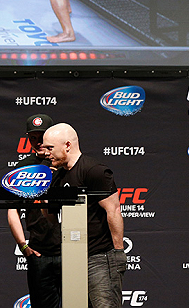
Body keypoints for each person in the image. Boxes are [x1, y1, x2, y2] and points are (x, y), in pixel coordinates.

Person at [42, 123, 125, 308]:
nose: (45, 153)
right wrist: (41, 194)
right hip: (72, 257)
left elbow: (113, 210)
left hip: (100, 257)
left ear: (67, 145)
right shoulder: (56, 177)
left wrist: (118, 253)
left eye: (50, 148)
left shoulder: (94, 170)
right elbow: (51, 215)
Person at [7, 114, 62, 308]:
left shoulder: (64, 163)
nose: (38, 142)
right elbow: (12, 209)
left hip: (71, 250)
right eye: (33, 138)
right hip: (39, 252)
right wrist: (23, 245)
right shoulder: (22, 168)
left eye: (42, 136)